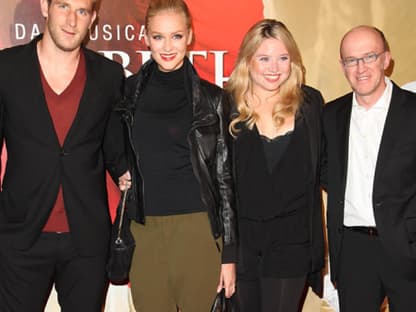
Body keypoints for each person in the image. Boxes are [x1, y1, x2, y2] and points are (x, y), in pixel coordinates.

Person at [0, 0, 129, 310]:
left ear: (93, 18)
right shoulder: (6, 68)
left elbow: (116, 150)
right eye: (63, 6)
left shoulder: (109, 76)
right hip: (20, 236)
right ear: (45, 7)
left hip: (86, 240)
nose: (72, 20)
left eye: (82, 11)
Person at [117, 0, 237, 311]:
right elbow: (108, 146)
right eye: (158, 37)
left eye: (176, 36)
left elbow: (225, 180)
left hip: (197, 229)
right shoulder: (126, 93)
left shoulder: (213, 99)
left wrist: (229, 254)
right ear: (145, 37)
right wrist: (120, 168)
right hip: (143, 231)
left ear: (190, 36)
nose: (167, 46)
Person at [226, 19, 325, 312]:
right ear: (247, 60)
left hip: (292, 242)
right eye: (264, 58)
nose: (274, 67)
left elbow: (328, 166)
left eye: (283, 58)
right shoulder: (226, 105)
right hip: (243, 244)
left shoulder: (310, 104)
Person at [321, 25, 416, 312]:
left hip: (408, 245)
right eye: (351, 60)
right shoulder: (330, 115)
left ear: (386, 59)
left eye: (369, 56)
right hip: (353, 251)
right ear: (342, 66)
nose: (360, 68)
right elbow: (327, 173)